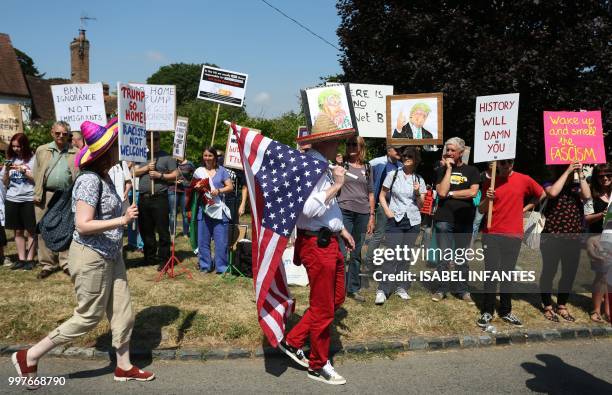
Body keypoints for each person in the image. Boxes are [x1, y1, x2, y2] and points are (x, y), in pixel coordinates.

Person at [11, 119, 154, 388]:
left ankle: (123, 366)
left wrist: (124, 200)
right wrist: (122, 221)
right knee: (88, 317)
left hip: (112, 254)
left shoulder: (105, 177)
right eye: (113, 147)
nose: (117, 151)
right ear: (104, 153)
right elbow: (83, 224)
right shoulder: (89, 181)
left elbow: (106, 211)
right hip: (91, 256)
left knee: (123, 312)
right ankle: (28, 355)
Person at [278, 113, 355, 385]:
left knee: (335, 299)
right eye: (336, 141)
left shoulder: (322, 166)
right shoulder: (310, 167)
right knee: (323, 308)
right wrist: (337, 184)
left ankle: (295, 340)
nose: (340, 146)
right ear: (325, 143)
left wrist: (341, 229)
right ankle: (318, 364)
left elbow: (327, 209)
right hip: (316, 243)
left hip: (329, 239)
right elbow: (308, 209)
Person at [477, 158, 545, 328]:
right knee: (491, 273)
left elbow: (542, 194)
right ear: (497, 164)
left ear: (513, 163)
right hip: (491, 233)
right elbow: (481, 209)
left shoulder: (524, 179)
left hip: (513, 234)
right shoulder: (490, 181)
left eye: (509, 162)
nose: (506, 165)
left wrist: (526, 207)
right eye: (503, 163)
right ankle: (487, 311)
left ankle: (506, 311)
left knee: (507, 273)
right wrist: (488, 198)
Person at [539, 162, 591, 322]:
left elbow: (587, 196)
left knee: (569, 272)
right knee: (549, 271)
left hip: (573, 237)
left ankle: (562, 304)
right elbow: (553, 193)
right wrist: (567, 171)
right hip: (551, 236)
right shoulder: (549, 182)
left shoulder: (577, 184)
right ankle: (547, 305)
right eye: (564, 166)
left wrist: (580, 173)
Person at [375, 147, 426, 305]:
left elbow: (422, 204)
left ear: (416, 159)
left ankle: (400, 287)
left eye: (409, 156)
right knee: (392, 255)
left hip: (413, 221)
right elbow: (382, 195)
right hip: (396, 219)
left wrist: (417, 193)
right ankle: (383, 289)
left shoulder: (419, 179)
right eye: (404, 155)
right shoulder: (393, 174)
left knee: (405, 256)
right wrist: (388, 211)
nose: (406, 158)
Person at [431, 137, 479, 303]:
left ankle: (462, 290)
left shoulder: (472, 171)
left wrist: (452, 193)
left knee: (461, 256)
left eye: (452, 150)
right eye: (447, 150)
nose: (449, 153)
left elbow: (472, 192)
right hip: (444, 218)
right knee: (444, 256)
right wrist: (448, 170)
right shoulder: (441, 169)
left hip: (464, 219)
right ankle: (441, 289)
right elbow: (442, 192)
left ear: (461, 152)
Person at [33, 121, 78, 279]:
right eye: (58, 133)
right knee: (43, 228)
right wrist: (36, 192)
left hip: (66, 195)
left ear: (68, 135)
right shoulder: (42, 150)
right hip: (45, 195)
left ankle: (65, 262)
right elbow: (36, 173)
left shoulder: (75, 152)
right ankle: (47, 264)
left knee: (65, 228)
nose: (61, 136)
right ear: (52, 132)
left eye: (64, 134)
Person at [133, 132, 177, 270]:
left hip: (159, 197)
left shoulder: (167, 156)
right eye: (149, 139)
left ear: (159, 140)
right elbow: (134, 172)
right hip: (144, 197)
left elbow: (176, 174)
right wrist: (146, 168)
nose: (153, 142)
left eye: (156, 139)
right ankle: (149, 257)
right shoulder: (141, 156)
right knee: (146, 230)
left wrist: (160, 175)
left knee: (163, 230)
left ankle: (164, 259)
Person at [338, 136, 374, 302]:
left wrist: (372, 216)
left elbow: (371, 193)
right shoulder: (341, 164)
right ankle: (336, 287)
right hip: (344, 211)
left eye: (355, 144)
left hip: (363, 213)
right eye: (349, 143)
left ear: (361, 147)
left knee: (357, 252)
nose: (351, 147)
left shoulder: (368, 167)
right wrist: (337, 166)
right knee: (341, 251)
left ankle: (352, 288)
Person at [189, 147, 233, 273]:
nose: (207, 158)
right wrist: (196, 187)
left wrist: (219, 190)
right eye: (205, 155)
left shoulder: (222, 171)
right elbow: (192, 189)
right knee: (203, 240)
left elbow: (230, 187)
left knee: (221, 241)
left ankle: (221, 267)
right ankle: (205, 265)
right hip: (203, 210)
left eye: (210, 155)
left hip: (219, 209)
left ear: (215, 157)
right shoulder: (199, 171)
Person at [364, 146, 402, 272]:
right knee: (379, 235)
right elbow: (365, 179)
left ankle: (393, 265)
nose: (399, 152)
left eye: (401, 150)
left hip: (398, 205)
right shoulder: (376, 162)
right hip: (383, 203)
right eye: (396, 150)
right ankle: (368, 263)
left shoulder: (402, 165)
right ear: (388, 151)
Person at [3, 133, 36, 269]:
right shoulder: (11, 159)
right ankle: (21, 259)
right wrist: (6, 171)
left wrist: (24, 171)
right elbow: (5, 183)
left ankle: (30, 259)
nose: (16, 149)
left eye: (19, 146)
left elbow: (36, 179)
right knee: (17, 231)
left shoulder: (33, 159)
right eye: (14, 146)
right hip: (12, 198)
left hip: (28, 198)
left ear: (25, 145)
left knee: (31, 230)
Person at [584, 163, 612, 323]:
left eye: (608, 175)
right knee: (601, 275)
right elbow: (587, 218)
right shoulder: (592, 195)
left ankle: (608, 311)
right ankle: (595, 311)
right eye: (601, 176)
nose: (605, 178)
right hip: (598, 240)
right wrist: (603, 214)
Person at [168, 158, 195, 237]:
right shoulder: (171, 162)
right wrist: (173, 181)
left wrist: (190, 183)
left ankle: (185, 233)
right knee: (173, 213)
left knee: (185, 213)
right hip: (172, 189)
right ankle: (172, 233)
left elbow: (195, 176)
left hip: (185, 190)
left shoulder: (190, 164)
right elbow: (165, 175)